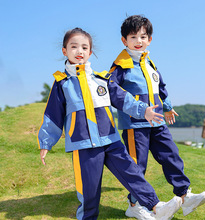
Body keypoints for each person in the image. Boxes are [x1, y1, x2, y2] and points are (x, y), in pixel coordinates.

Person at [38, 27, 183, 220]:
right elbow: (52, 115)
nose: (79, 51)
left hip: (111, 140)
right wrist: (46, 143)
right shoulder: (62, 84)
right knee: (89, 189)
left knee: (133, 174)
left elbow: (125, 99)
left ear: (90, 52)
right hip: (84, 145)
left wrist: (144, 111)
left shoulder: (102, 79)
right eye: (74, 47)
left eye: (84, 47)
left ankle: (157, 207)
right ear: (65, 51)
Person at [108, 15, 205, 218]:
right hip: (135, 125)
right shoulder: (120, 67)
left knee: (171, 154)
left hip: (158, 122)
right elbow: (112, 92)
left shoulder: (150, 65)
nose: (139, 41)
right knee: (137, 166)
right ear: (124, 41)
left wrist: (169, 107)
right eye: (133, 37)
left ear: (150, 39)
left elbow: (161, 88)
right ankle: (134, 205)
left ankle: (185, 196)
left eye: (143, 36)